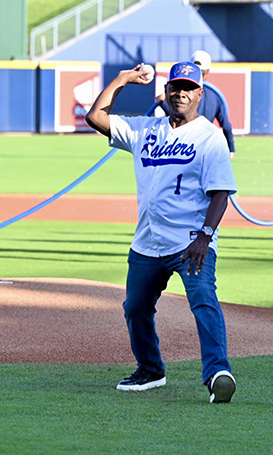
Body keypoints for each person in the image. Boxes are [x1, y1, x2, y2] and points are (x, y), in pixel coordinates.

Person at [85, 61, 238, 404]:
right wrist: (123, 79)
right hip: (147, 242)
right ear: (166, 91)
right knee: (136, 308)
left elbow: (221, 193)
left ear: (200, 93)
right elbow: (96, 117)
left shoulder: (209, 138)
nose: (180, 93)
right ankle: (151, 370)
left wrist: (205, 235)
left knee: (203, 300)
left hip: (190, 244)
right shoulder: (145, 129)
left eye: (188, 87)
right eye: (175, 87)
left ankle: (217, 373)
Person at [157, 50, 236, 160]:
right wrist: (231, 149)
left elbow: (176, 115)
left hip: (183, 147)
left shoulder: (181, 95)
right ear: (207, 71)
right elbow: (226, 125)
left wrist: (161, 102)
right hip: (206, 148)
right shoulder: (215, 96)